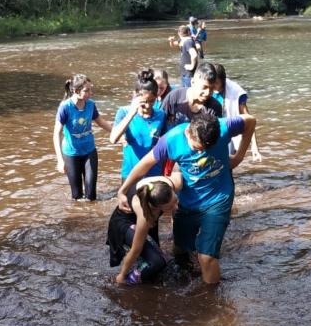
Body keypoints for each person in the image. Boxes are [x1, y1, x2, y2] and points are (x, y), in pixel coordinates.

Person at [117, 112, 256, 284]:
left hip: (219, 198)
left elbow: (250, 121)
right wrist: (122, 190)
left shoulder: (224, 126)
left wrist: (239, 156)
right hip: (188, 200)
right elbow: (144, 165)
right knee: (180, 248)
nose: (201, 152)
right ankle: (187, 276)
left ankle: (211, 297)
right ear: (189, 132)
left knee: (206, 258)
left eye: (207, 149)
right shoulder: (171, 140)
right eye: (198, 148)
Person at [107, 174, 182, 285]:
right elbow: (135, 250)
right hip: (123, 223)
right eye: (171, 206)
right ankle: (127, 279)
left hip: (147, 216)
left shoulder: (167, 186)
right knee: (157, 262)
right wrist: (122, 275)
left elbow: (180, 174)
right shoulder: (144, 216)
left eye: (175, 200)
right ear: (157, 207)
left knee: (163, 263)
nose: (176, 207)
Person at [53, 74, 112, 200]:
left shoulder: (90, 104)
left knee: (91, 196)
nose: (91, 93)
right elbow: (56, 133)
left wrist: (120, 134)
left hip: (89, 151)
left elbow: (101, 122)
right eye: (87, 90)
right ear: (76, 91)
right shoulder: (65, 107)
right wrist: (60, 160)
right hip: (71, 154)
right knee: (77, 196)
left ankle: (91, 210)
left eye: (91, 89)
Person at [110, 69, 167, 181]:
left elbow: (166, 142)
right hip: (130, 173)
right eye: (144, 101)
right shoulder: (124, 112)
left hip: (154, 172)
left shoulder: (161, 115)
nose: (148, 106)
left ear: (157, 97)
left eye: (152, 101)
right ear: (135, 95)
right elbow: (113, 139)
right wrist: (132, 113)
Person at [208, 63, 262, 161]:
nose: (213, 86)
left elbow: (248, 119)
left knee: (227, 161)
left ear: (223, 81)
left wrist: (254, 146)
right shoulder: (206, 88)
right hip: (210, 129)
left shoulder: (236, 92)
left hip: (227, 130)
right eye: (212, 82)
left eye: (216, 83)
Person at [160, 62, 222, 129]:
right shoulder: (174, 97)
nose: (207, 92)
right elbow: (158, 121)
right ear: (192, 82)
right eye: (204, 87)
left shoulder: (215, 107)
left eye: (212, 88)